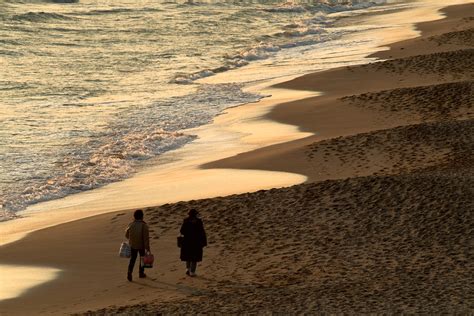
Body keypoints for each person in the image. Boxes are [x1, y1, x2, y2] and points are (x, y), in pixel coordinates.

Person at [180, 209, 207, 277]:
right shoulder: (198, 221)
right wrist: (204, 241)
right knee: (195, 257)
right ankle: (192, 271)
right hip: (196, 241)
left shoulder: (186, 220)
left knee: (188, 256)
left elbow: (182, 231)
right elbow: (202, 232)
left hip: (187, 241)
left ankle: (187, 269)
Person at [125, 209, 150, 282]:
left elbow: (126, 235)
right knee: (142, 259)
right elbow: (146, 238)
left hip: (133, 245)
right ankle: (141, 273)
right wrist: (147, 248)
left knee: (133, 259)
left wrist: (131, 239)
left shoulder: (131, 224)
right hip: (141, 245)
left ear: (134, 216)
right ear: (142, 216)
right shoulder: (144, 225)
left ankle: (129, 272)